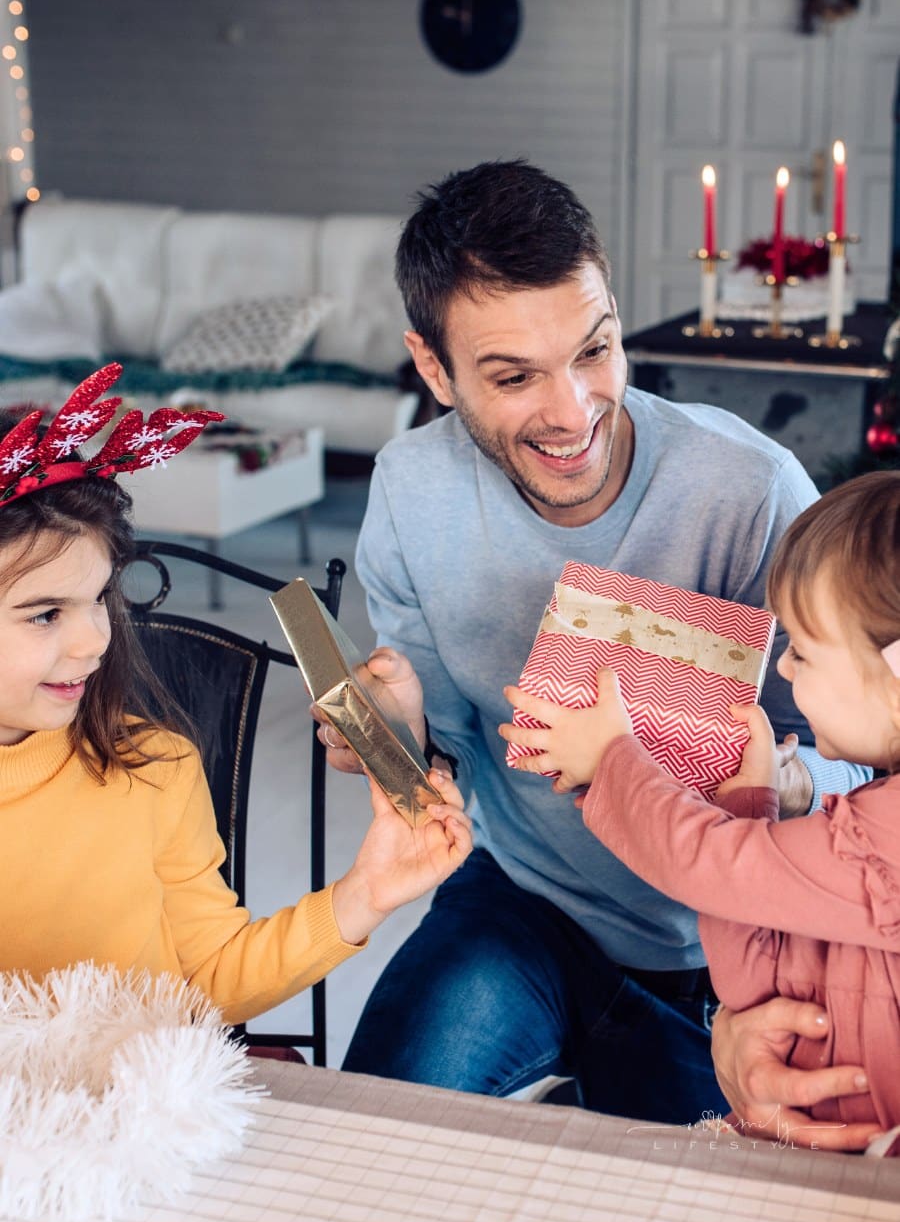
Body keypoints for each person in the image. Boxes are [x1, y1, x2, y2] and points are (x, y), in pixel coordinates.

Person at [327, 160, 867, 1125]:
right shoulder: (411, 489)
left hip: (724, 948)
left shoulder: (753, 490)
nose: (573, 410)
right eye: (512, 376)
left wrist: (746, 773)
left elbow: (857, 786)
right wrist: (396, 731)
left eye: (593, 350)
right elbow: (438, 759)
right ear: (433, 369)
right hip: (522, 903)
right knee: (370, 1137)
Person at [0, 368, 471, 1025]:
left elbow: (209, 978)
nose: (92, 642)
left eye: (100, 598)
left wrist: (367, 893)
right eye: (46, 613)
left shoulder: (155, 769)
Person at [501, 471, 900, 1151]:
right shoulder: (869, 817)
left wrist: (616, 759)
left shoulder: (882, 839)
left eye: (803, 652)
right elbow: (749, 969)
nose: (784, 672)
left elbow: (708, 863)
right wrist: (747, 806)